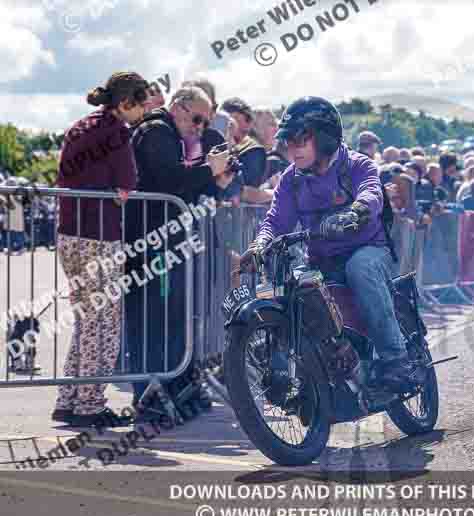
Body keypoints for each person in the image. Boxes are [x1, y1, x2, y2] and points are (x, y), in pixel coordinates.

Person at [239, 96, 424, 393]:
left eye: (301, 140)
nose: (292, 148)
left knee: (359, 268)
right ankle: (319, 374)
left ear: (324, 139)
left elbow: (372, 193)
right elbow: (276, 220)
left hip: (369, 249)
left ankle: (395, 360)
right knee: (294, 283)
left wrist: (356, 211)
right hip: (322, 260)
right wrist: (259, 244)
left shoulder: (356, 165)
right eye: (288, 141)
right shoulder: (291, 179)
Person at [125, 86, 234, 421]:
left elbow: (182, 184)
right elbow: (169, 181)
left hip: (166, 242)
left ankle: (172, 391)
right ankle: (150, 397)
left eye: (206, 121)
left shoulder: (171, 135)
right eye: (198, 120)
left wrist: (218, 179)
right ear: (179, 108)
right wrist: (209, 169)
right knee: (154, 322)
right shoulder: (155, 130)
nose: (200, 128)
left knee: (172, 321)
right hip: (152, 244)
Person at [53, 71, 147, 427]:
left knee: (85, 320)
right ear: (126, 103)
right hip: (99, 234)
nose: (142, 111)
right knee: (105, 322)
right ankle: (90, 404)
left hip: (67, 233)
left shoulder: (79, 125)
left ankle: (69, 399)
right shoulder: (116, 131)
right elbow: (128, 183)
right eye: (140, 104)